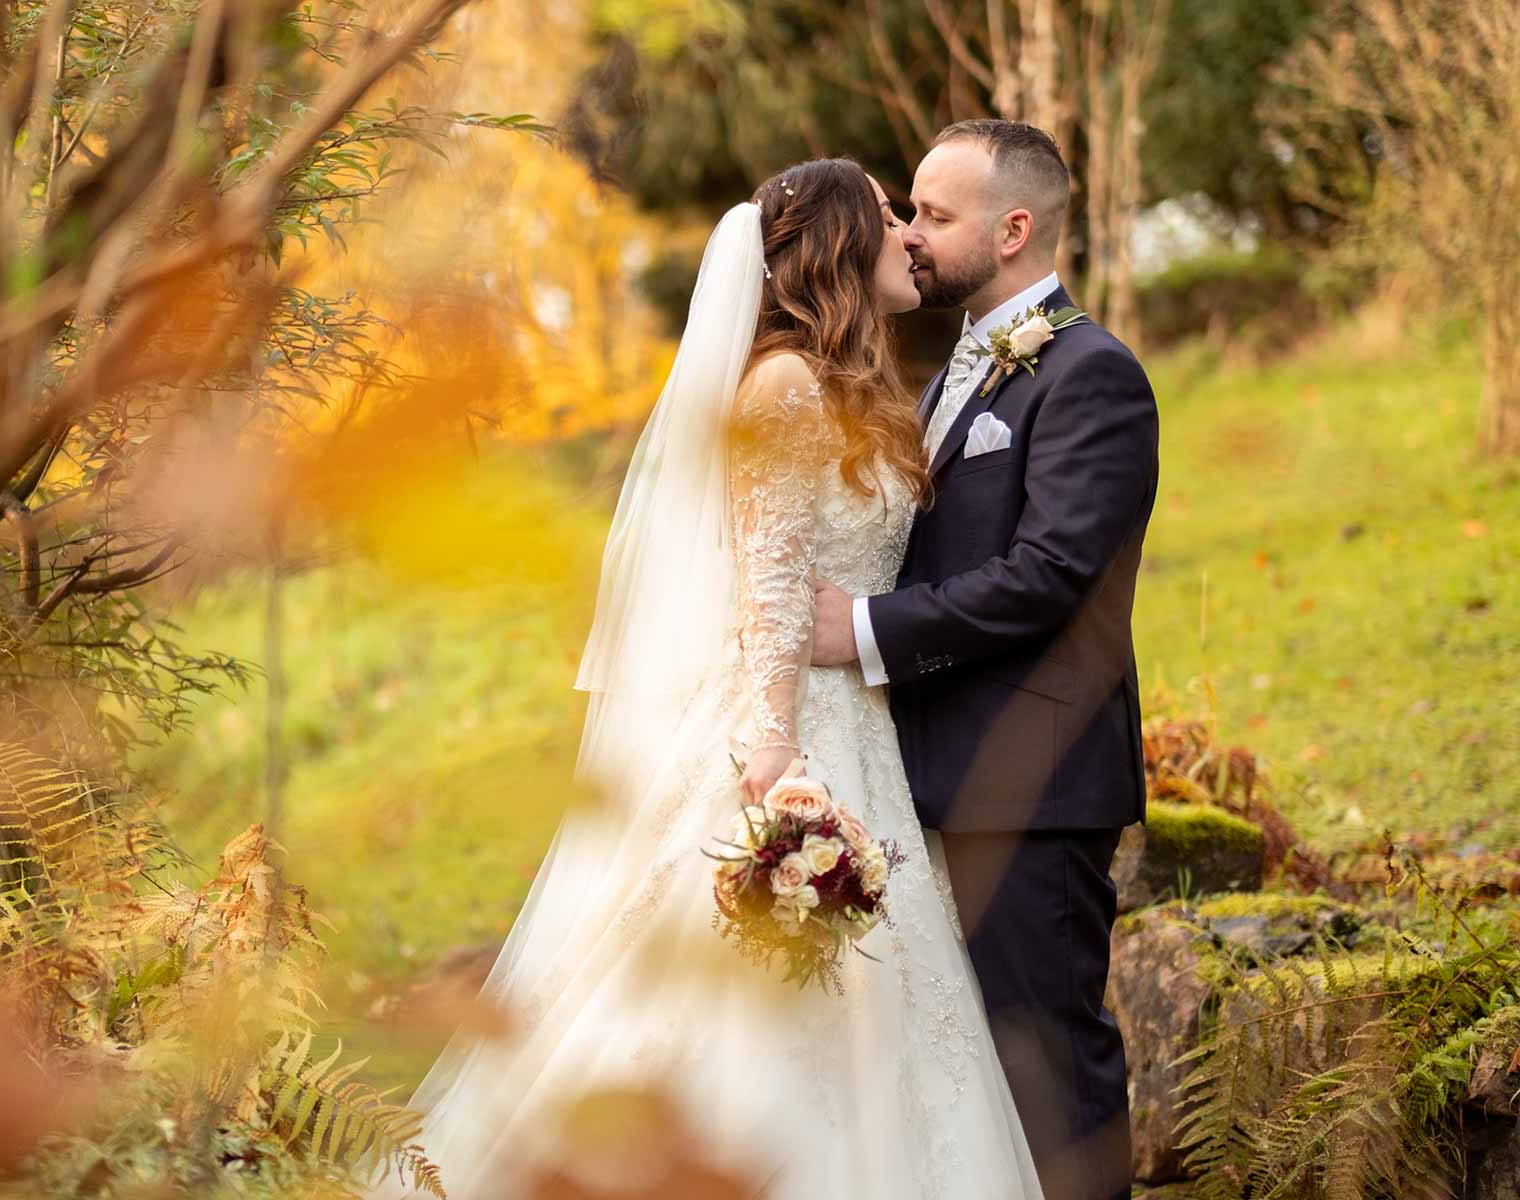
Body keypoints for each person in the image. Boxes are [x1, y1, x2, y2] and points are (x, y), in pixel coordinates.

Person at [366, 158, 1043, 1199]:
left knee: (871, 1002)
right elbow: (766, 591)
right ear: (839, 248)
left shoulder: (855, 387)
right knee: (755, 1001)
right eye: (890, 216)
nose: (910, 233)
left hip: (860, 727)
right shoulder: (780, 389)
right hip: (796, 735)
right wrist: (777, 763)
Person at [811, 120, 1158, 1200]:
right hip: (940, 773)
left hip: (1037, 785)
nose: (910, 233)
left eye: (933, 213)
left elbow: (1051, 571)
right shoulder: (954, 370)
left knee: (1047, 1065)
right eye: (909, 210)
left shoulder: (1093, 375)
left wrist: (862, 631)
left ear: (1014, 230)